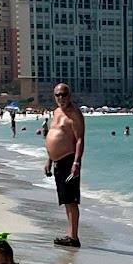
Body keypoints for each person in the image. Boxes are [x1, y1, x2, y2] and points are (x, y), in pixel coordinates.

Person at [45, 82, 86, 247]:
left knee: (71, 199)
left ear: (70, 95)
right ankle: (70, 235)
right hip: (57, 161)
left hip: (69, 160)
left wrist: (76, 163)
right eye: (58, 95)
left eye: (64, 94)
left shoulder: (74, 114)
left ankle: (74, 237)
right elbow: (52, 134)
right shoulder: (55, 112)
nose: (61, 98)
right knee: (64, 199)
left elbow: (80, 140)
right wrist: (49, 159)